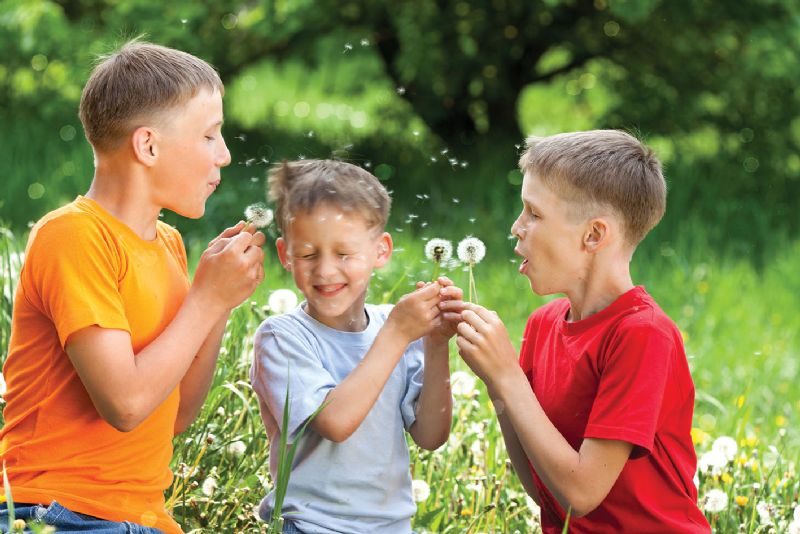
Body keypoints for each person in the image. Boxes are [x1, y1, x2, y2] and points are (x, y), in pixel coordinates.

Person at [0, 40, 265, 534]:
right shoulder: (73, 235)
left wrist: (219, 302)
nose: (225, 156)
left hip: (142, 519)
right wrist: (205, 298)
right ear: (148, 146)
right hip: (54, 511)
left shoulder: (168, 245)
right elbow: (124, 405)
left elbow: (177, 412)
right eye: (210, 136)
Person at [449, 130, 711, 533]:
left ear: (593, 235)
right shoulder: (543, 325)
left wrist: (506, 375)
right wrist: (496, 381)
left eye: (533, 214)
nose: (516, 227)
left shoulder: (643, 334)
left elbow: (581, 495)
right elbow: (547, 491)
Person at [250, 160, 459, 534]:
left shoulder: (395, 329)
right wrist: (397, 334)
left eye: (344, 254)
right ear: (285, 254)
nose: (326, 270)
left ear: (381, 251)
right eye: (309, 255)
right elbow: (335, 422)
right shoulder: (281, 338)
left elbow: (431, 436)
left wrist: (435, 344)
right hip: (313, 526)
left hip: (393, 527)